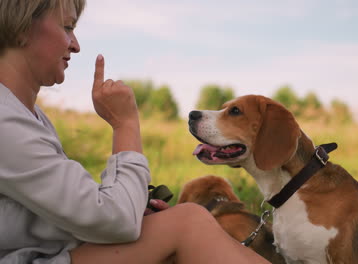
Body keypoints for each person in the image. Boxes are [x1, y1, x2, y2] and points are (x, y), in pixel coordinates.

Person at [0, 0, 271, 263]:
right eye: (68, 27)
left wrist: (131, 207)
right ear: (24, 26)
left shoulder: (25, 116)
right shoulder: (6, 121)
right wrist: (125, 124)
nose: (76, 44)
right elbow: (117, 222)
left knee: (187, 220)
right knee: (186, 223)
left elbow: (43, 212)